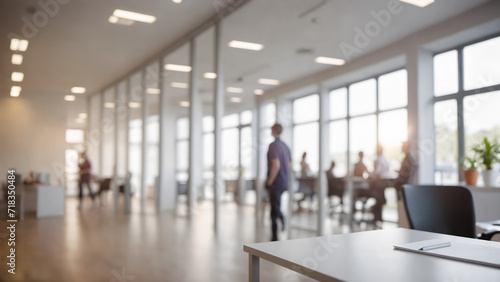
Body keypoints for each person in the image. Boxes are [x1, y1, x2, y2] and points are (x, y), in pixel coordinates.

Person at [369, 141, 418, 223]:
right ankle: (379, 210)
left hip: (402, 186)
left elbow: (404, 175)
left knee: (377, 190)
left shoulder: (408, 159)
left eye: (403, 146)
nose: (401, 148)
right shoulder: (410, 158)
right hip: (403, 185)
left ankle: (377, 210)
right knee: (380, 191)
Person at [266, 123, 292, 241]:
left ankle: (274, 237)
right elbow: (289, 164)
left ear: (273, 130)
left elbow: (275, 166)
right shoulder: (285, 146)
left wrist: (269, 181)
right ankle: (282, 218)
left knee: (273, 210)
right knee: (276, 206)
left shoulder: (273, 146)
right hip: (284, 181)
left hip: (276, 183)